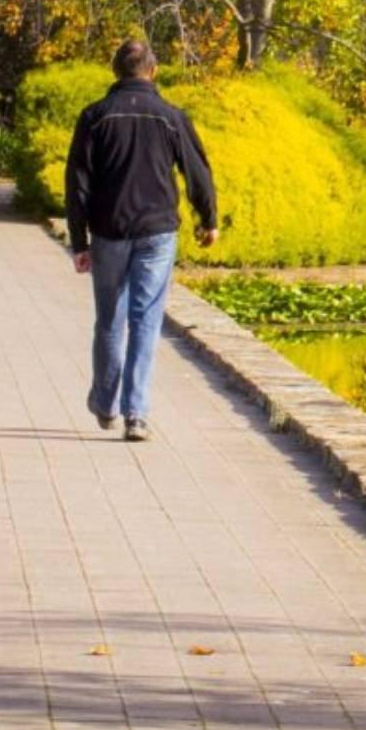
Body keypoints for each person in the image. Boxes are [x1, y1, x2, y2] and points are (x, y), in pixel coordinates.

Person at [62, 38, 217, 442]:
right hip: (157, 230)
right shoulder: (171, 116)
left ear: (115, 70)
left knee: (109, 318)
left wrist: (79, 240)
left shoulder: (94, 117)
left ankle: (105, 404)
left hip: (108, 229)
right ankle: (136, 414)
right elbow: (198, 173)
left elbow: (77, 183)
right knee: (145, 319)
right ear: (154, 70)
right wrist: (208, 219)